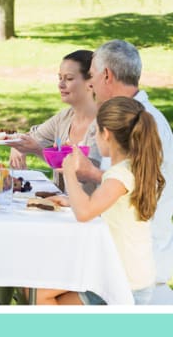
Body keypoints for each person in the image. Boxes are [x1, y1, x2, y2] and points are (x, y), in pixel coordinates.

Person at [67, 39, 173, 304]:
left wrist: (84, 174)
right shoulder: (129, 120)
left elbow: (136, 183)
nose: (89, 84)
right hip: (119, 249)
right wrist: (92, 175)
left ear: (106, 75)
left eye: (90, 76)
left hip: (134, 259)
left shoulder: (146, 124)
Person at [38, 97, 165, 305]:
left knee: (40, 293)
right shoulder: (131, 169)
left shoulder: (119, 175)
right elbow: (105, 204)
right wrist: (71, 201)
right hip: (128, 274)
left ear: (106, 134)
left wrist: (69, 171)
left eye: (95, 131)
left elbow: (85, 213)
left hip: (122, 280)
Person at [9, 50, 102, 191]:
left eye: (69, 79)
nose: (61, 85)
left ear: (90, 83)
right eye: (60, 78)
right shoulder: (64, 118)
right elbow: (32, 138)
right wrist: (18, 146)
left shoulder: (106, 125)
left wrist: (37, 150)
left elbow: (84, 174)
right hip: (61, 207)